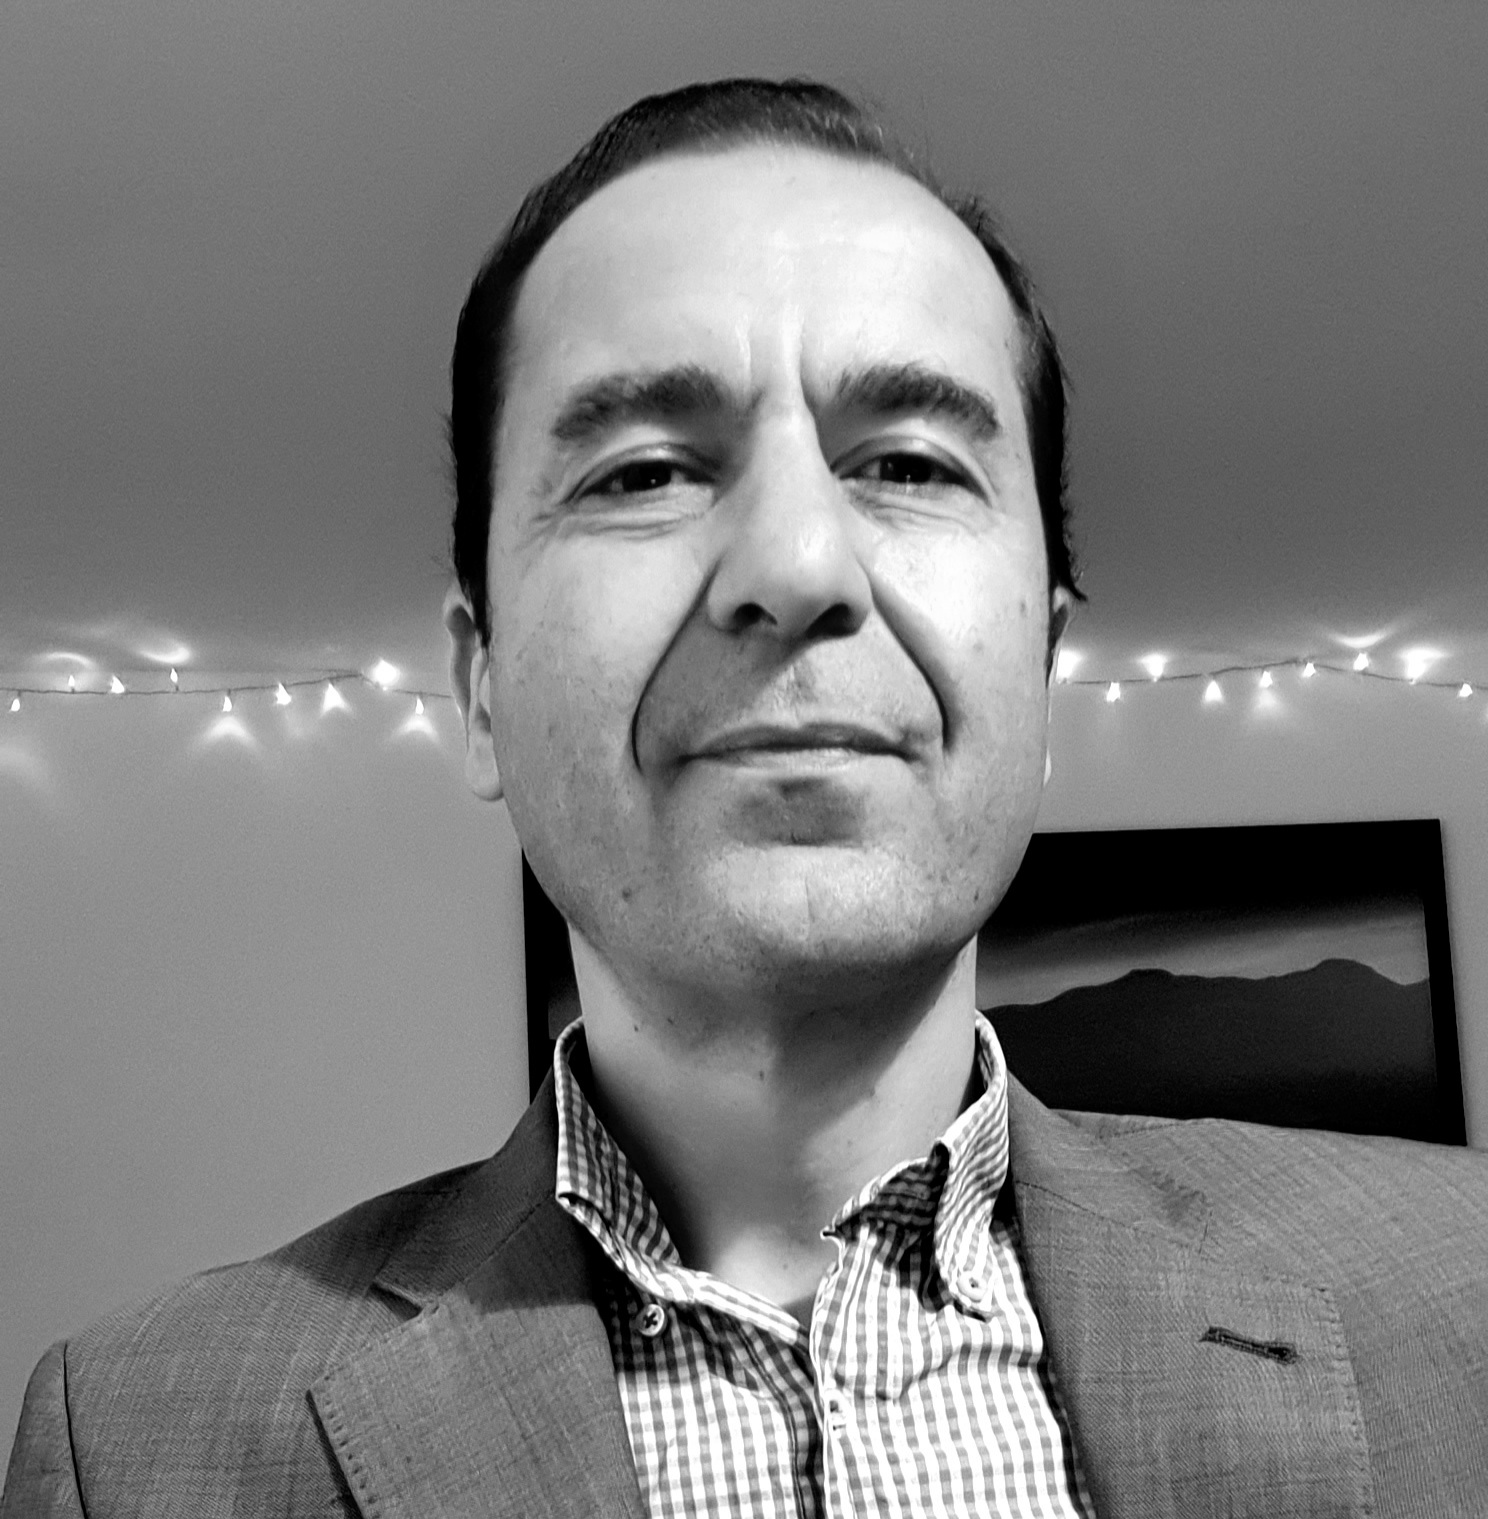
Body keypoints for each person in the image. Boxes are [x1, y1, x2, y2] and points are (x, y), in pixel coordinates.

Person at [5, 77, 1487, 1519]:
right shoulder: (131, 1450)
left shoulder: (1465, 1301)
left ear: (1040, 669)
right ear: (482, 685)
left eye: (908, 462)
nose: (796, 564)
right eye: (644, 472)